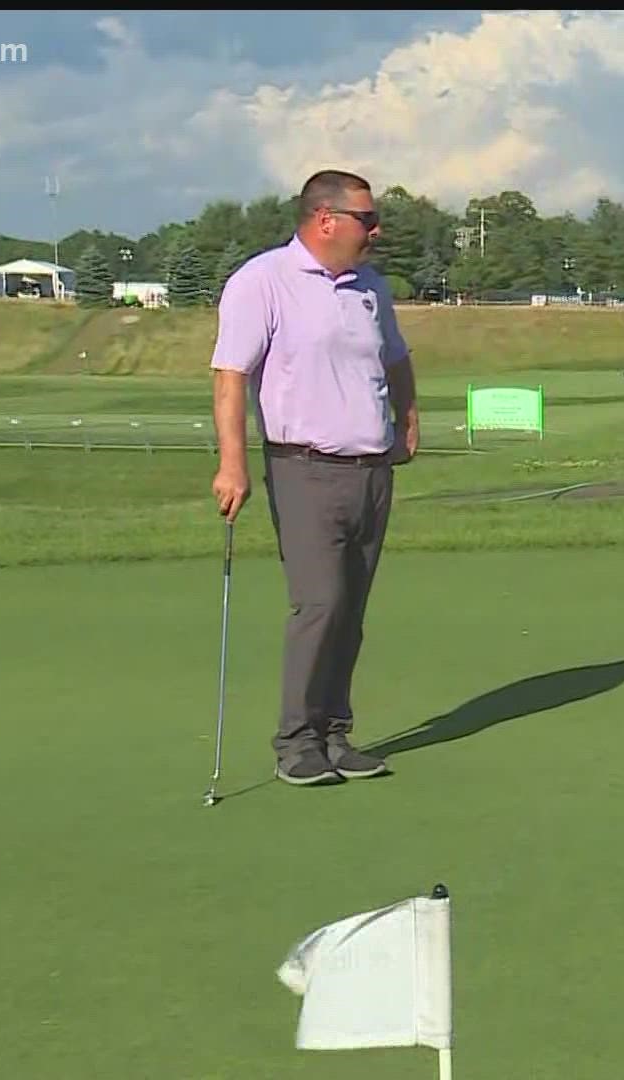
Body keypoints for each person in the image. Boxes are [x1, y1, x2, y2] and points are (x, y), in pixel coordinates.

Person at [209, 169, 420, 788]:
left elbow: (396, 358)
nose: (376, 230)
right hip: (303, 466)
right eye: (367, 219)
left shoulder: (370, 287)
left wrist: (407, 419)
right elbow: (230, 378)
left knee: (351, 608)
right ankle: (296, 741)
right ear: (325, 220)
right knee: (320, 602)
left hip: (371, 469)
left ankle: (335, 733)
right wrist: (232, 463)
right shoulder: (263, 281)